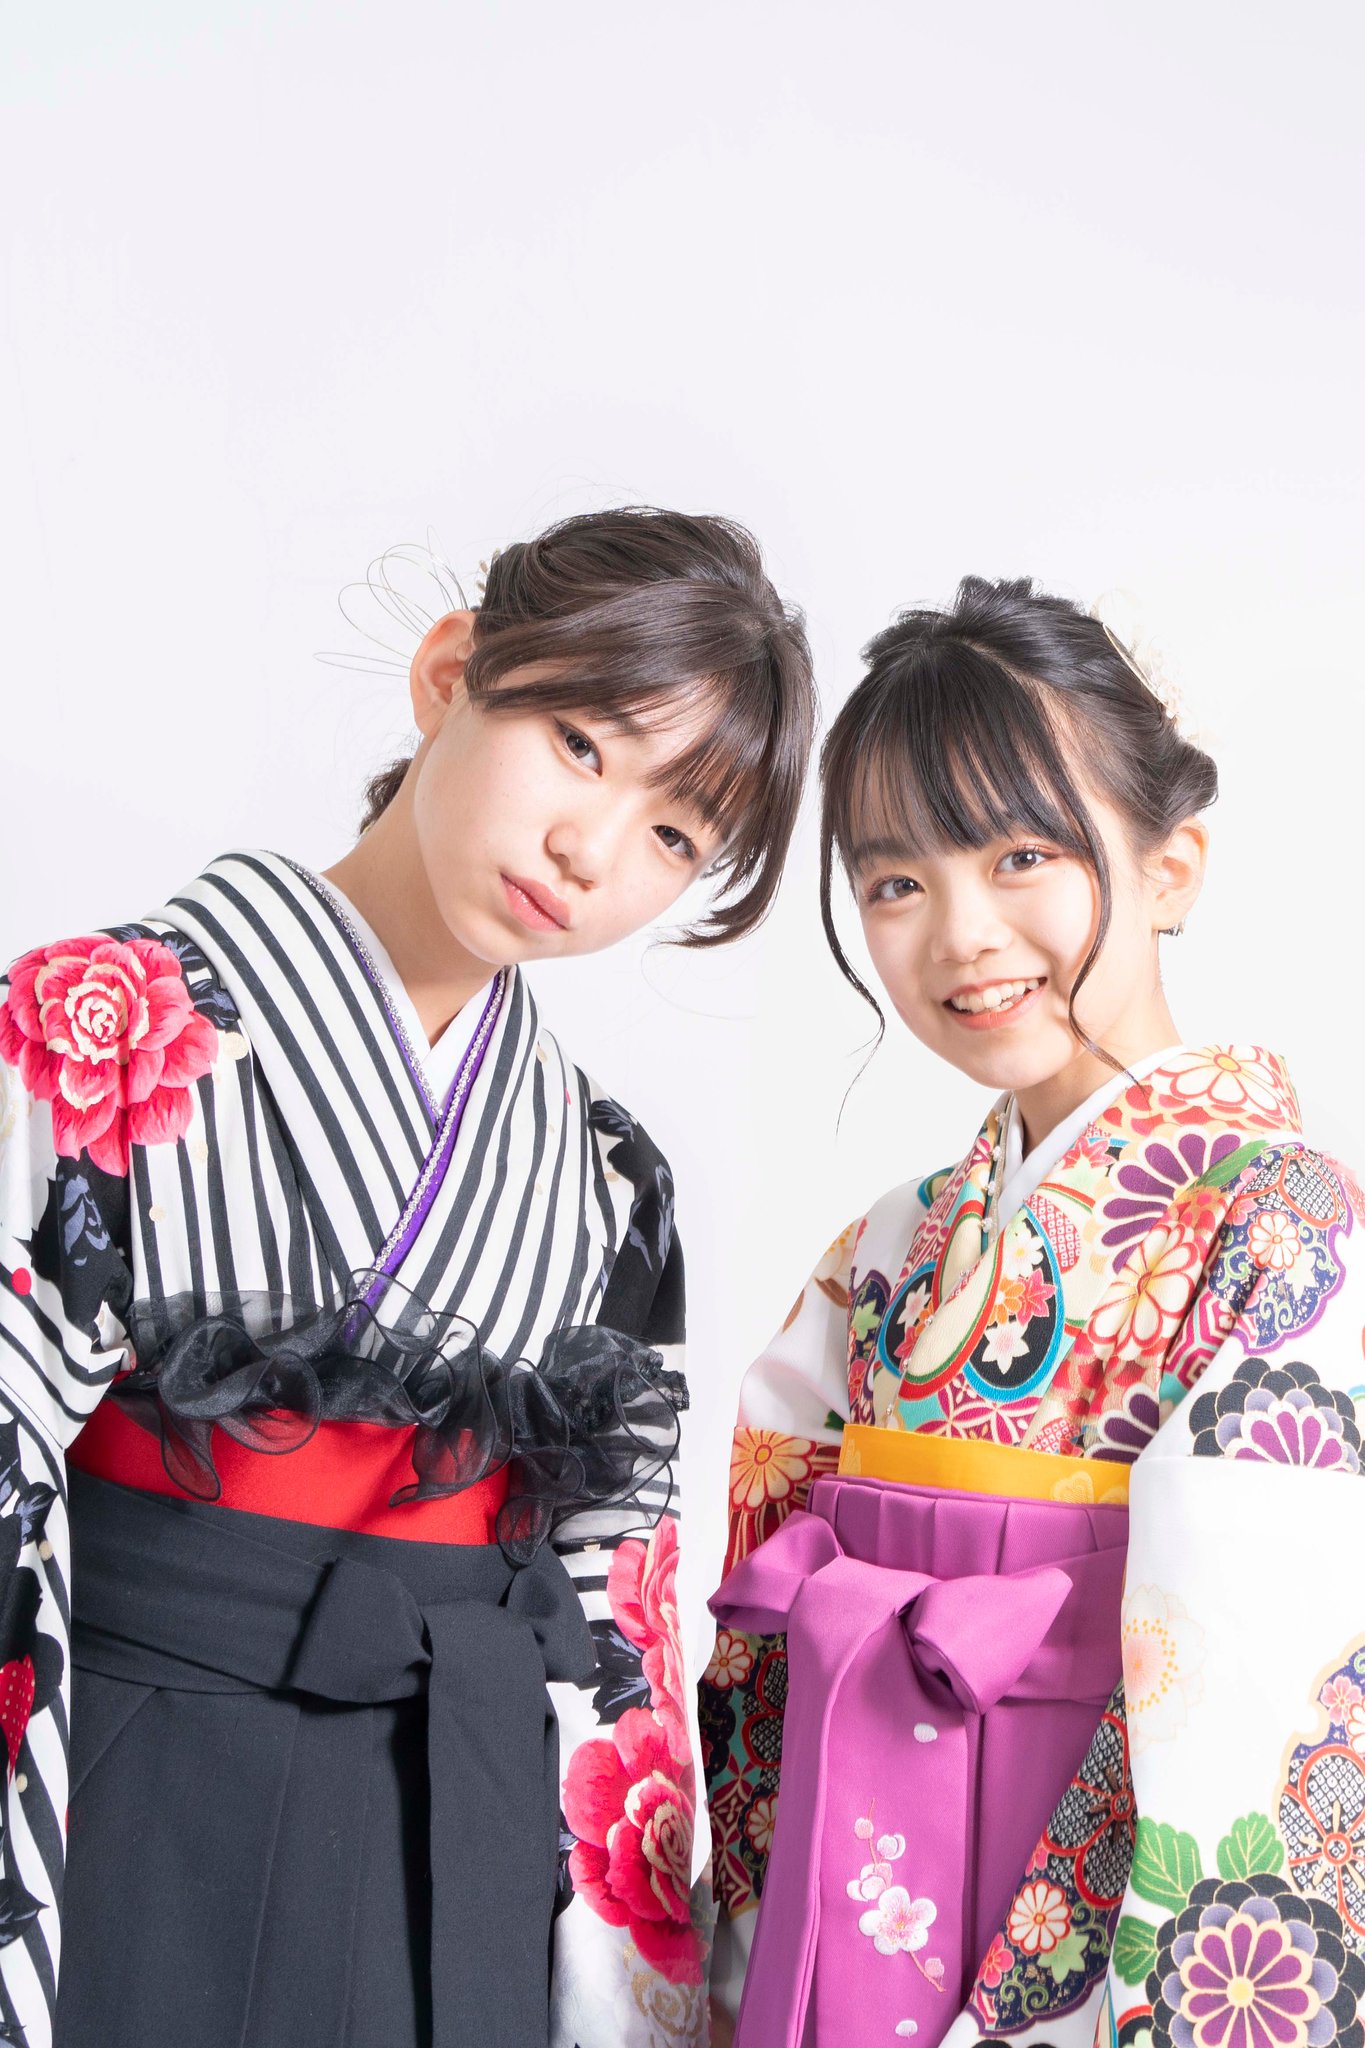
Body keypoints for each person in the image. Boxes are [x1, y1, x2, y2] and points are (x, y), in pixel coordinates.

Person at [0, 506, 816, 2048]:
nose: (589, 852)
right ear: (452, 675)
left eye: (673, 837)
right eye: (580, 745)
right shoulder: (81, 1036)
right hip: (134, 1796)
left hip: (467, 1830)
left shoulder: (604, 1181)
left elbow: (618, 1610)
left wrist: (633, 1997)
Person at [701, 576, 1365, 2047]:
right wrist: (749, 1945)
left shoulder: (1285, 1225)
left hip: (1084, 1935)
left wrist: (1035, 2009)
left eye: (1020, 855)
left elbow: (1248, 1693)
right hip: (835, 1913)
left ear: (1171, 868)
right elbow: (761, 1642)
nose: (959, 935)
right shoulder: (885, 1247)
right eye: (894, 882)